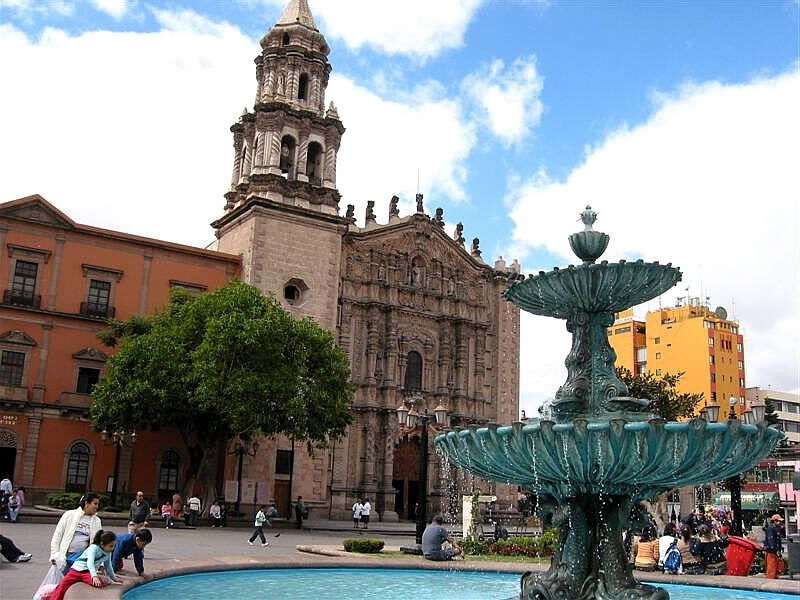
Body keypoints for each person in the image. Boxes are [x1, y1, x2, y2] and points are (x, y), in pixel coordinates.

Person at [49, 530, 122, 600]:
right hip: (76, 570)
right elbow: (90, 562)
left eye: (114, 546)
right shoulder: (93, 548)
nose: (113, 548)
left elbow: (108, 566)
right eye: (111, 546)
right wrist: (94, 576)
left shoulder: (108, 553)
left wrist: (114, 578)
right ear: (102, 544)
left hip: (87, 572)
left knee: (99, 584)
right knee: (62, 585)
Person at [50, 493, 102, 569]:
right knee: (62, 579)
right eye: (95, 504)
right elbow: (57, 536)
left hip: (83, 559)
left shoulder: (96, 521)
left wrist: (100, 563)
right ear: (86, 503)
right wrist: (54, 555)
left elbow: (99, 543)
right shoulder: (69, 515)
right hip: (65, 556)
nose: (97, 507)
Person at [763, 514, 784, 579]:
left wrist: (780, 549)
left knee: (775, 569)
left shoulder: (776, 528)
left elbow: (776, 540)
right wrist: (776, 550)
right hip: (771, 552)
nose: (780, 522)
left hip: (773, 552)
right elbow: (771, 541)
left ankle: (773, 580)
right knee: (771, 570)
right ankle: (770, 582)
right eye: (779, 521)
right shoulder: (771, 529)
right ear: (774, 521)